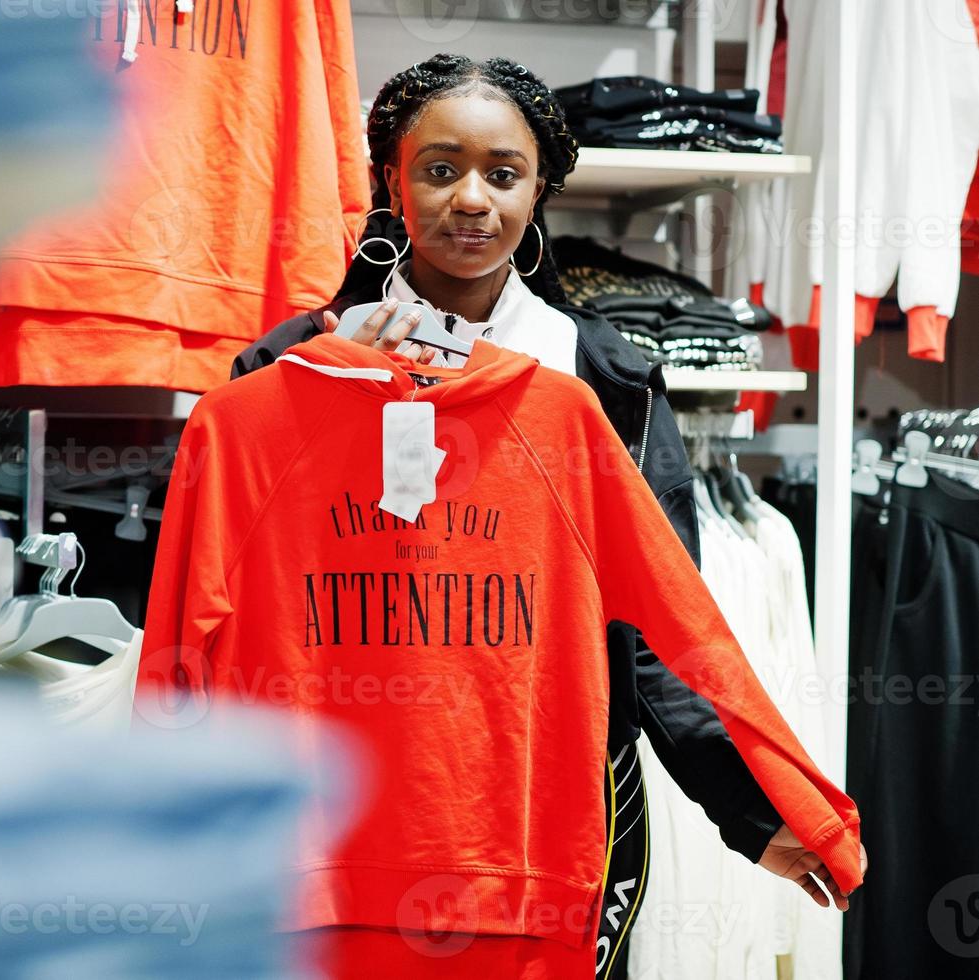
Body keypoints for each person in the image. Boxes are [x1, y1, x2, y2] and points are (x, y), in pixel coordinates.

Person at [233, 52, 864, 978]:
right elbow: (226, 601)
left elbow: (663, 618)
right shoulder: (286, 371)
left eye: (503, 173)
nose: (471, 200)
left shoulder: (601, 379)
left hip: (554, 791)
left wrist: (751, 810)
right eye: (439, 170)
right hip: (340, 794)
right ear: (392, 183)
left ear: (540, 192)